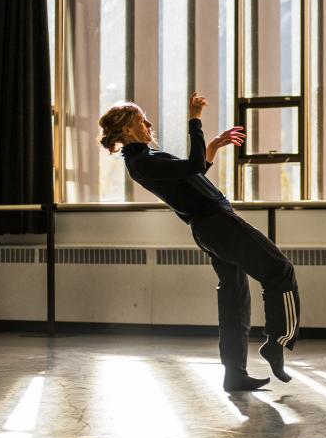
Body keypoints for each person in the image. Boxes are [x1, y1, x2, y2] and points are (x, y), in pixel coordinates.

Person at [97, 93, 301, 392]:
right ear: (127, 130)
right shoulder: (142, 161)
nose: (148, 123)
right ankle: (277, 342)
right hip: (217, 223)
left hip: (210, 227)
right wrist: (194, 119)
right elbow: (193, 165)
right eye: (142, 119)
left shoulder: (146, 160)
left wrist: (214, 146)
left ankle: (235, 373)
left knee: (234, 297)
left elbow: (195, 172)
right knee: (280, 271)